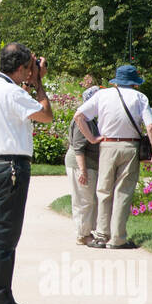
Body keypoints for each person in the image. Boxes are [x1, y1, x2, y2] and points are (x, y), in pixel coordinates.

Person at [0, 42, 54, 304]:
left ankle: (0, 295)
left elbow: (14, 104)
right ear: (21, 68)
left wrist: (29, 78)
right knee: (5, 237)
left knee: (0, 234)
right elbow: (46, 116)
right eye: (29, 67)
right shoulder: (13, 93)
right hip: (11, 168)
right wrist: (39, 83)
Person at [72, 65, 152, 250]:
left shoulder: (103, 95)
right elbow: (150, 126)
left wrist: (92, 138)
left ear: (116, 81)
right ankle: (118, 238)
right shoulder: (140, 97)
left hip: (107, 145)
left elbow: (79, 116)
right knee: (123, 192)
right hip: (130, 146)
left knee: (103, 191)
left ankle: (102, 236)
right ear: (134, 82)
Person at [65, 86, 100, 245]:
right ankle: (83, 235)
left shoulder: (90, 119)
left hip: (89, 164)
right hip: (81, 164)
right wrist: (83, 171)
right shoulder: (82, 119)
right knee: (84, 200)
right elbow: (79, 148)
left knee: (89, 199)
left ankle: (87, 232)